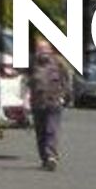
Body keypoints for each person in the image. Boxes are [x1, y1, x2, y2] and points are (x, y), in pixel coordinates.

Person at [26, 40, 74, 171]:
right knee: (40, 132)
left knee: (51, 130)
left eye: (45, 49)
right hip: (37, 103)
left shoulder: (59, 63)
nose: (43, 52)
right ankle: (44, 158)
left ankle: (51, 157)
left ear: (51, 50)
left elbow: (67, 80)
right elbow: (25, 82)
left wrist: (67, 96)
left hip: (54, 101)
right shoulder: (31, 63)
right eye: (40, 49)